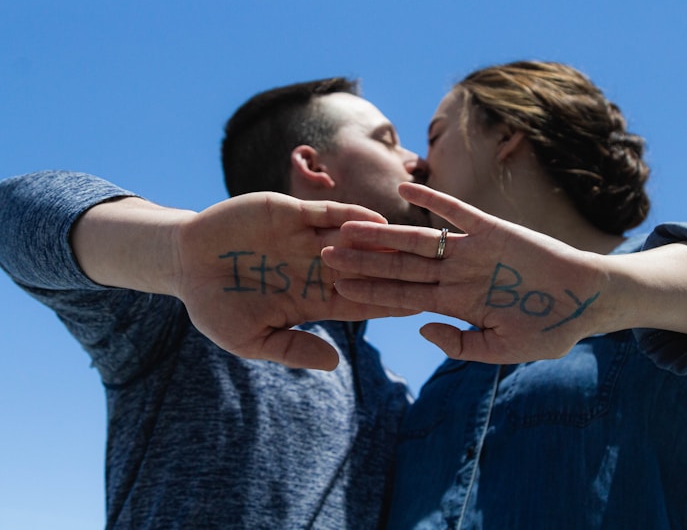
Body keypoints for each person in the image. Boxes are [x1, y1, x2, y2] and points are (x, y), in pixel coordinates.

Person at [321, 61, 687, 528]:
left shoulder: (657, 290)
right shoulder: (451, 367)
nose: (419, 163)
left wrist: (597, 291)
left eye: (436, 135)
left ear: (507, 136)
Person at [0, 77, 429, 528]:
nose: (416, 160)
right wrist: (174, 250)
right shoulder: (190, 307)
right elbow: (12, 216)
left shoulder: (395, 390)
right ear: (311, 163)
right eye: (387, 140)